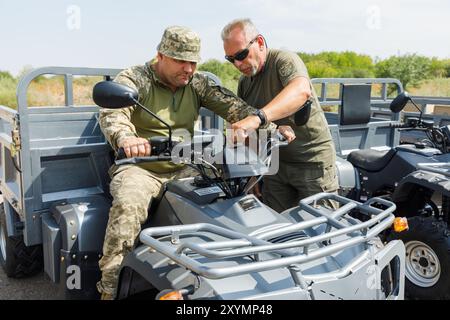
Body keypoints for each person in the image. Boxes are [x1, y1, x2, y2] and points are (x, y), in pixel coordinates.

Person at [96, 25, 293, 300]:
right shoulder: (135, 79)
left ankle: (237, 271)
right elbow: (113, 114)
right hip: (142, 167)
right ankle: (110, 285)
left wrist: (271, 128)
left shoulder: (196, 82)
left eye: (193, 62)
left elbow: (235, 108)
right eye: (180, 60)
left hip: (186, 164)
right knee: (129, 205)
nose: (188, 69)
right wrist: (126, 138)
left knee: (233, 196)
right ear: (161, 56)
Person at [221, 18, 339, 213]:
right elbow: (246, 131)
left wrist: (259, 117)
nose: (238, 63)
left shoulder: (283, 60)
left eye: (242, 54)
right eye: (231, 59)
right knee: (276, 229)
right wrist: (252, 172)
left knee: (320, 229)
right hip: (274, 167)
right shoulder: (245, 82)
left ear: (259, 42)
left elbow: (301, 91)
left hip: (311, 162)